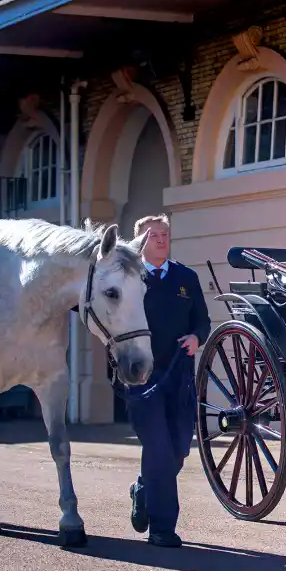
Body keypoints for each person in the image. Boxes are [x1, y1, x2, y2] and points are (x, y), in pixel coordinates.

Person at [116, 213, 210, 548]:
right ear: (138, 242)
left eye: (165, 233)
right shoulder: (127, 278)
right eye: (153, 234)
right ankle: (162, 528)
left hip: (179, 376)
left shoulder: (186, 277)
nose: (160, 239)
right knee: (157, 446)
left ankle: (144, 489)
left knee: (179, 449)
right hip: (142, 377)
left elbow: (202, 320)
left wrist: (198, 339)